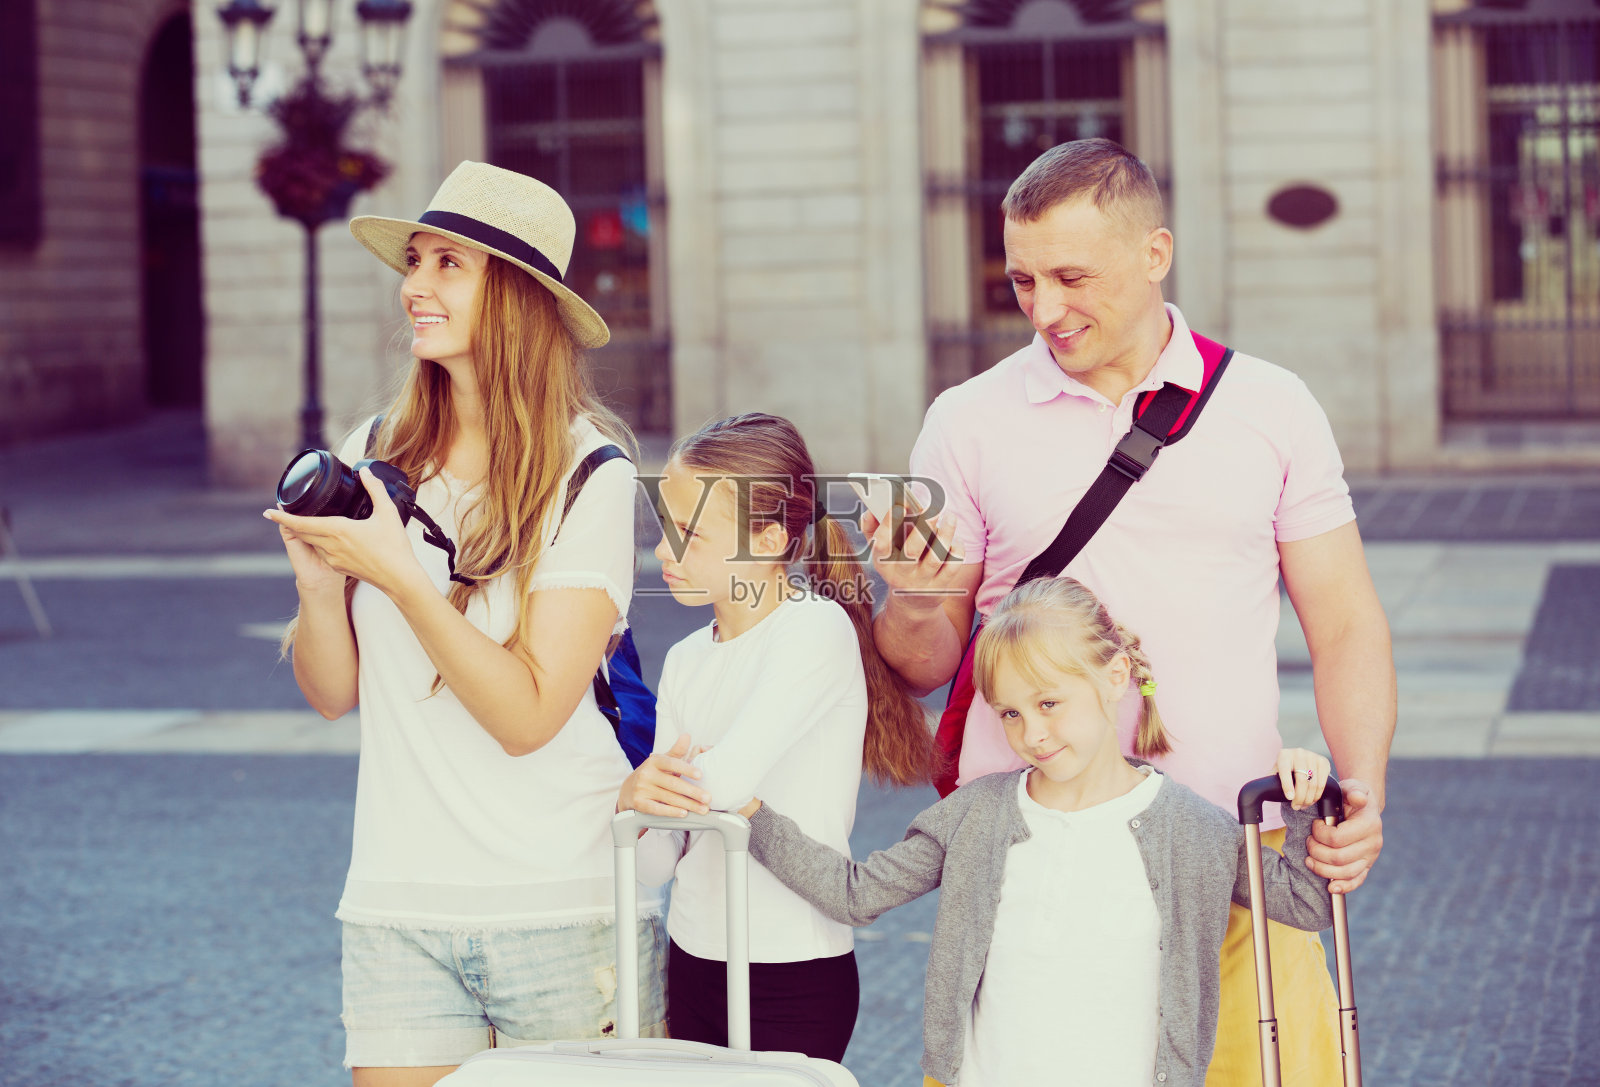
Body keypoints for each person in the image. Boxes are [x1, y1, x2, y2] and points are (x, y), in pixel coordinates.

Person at [867, 138, 1394, 1084]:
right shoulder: (967, 420)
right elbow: (925, 660)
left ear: (1156, 254)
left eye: (1073, 276)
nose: (1046, 310)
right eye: (1023, 280)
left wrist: (1362, 789)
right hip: (1029, 865)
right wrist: (909, 596)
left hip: (1231, 854)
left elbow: (1345, 621)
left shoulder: (1271, 405)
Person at [264, 161, 665, 1086]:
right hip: (396, 905)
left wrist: (401, 579)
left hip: (561, 912)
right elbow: (331, 695)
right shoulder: (374, 450)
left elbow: (529, 717)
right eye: (414, 260)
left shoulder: (588, 476)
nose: (415, 285)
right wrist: (323, 590)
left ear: (516, 296)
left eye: (449, 264)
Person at [737, 578, 1338, 1087]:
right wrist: (748, 814)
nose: (1032, 734)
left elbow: (1305, 904)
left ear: (1115, 676)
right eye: (1011, 713)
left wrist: (1308, 798)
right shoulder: (977, 815)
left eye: (1049, 703)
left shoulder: (1192, 828)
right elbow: (856, 893)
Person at [617, 412, 934, 1062]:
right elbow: (654, 860)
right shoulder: (683, 658)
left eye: (691, 534)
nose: (665, 554)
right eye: (665, 531)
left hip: (793, 969)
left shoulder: (813, 630)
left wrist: (656, 793)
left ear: (765, 538)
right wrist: (634, 798)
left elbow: (723, 784)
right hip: (693, 957)